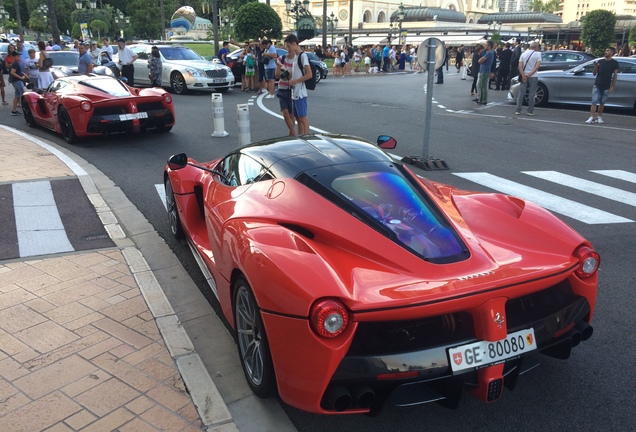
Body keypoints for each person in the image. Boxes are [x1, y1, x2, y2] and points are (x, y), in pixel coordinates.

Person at [284, 33, 312, 135]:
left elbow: (309, 74)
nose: (287, 48)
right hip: (295, 92)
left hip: (300, 92)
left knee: (303, 117)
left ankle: (307, 138)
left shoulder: (302, 56)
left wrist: (295, 81)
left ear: (294, 44)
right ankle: (301, 138)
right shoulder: (295, 57)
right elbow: (295, 73)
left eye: (288, 46)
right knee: (298, 118)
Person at [585, 47, 619, 124]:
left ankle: (599, 116)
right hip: (597, 84)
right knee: (594, 101)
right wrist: (596, 67)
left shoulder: (614, 63)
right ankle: (591, 117)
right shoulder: (601, 61)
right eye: (605, 50)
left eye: (608, 51)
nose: (605, 52)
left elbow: (615, 75)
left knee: (602, 102)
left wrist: (612, 86)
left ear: (612, 53)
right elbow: (594, 74)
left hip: (606, 85)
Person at [515, 41, 542, 116]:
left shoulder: (523, 54)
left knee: (521, 93)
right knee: (532, 94)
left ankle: (518, 109)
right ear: (536, 47)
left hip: (524, 75)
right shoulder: (538, 54)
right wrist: (529, 75)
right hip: (533, 76)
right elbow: (537, 66)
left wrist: (523, 75)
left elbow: (520, 66)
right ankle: (530, 111)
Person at [275, 53, 295, 135]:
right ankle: (293, 133)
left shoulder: (297, 60)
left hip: (292, 89)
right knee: (285, 113)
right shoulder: (281, 59)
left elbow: (294, 75)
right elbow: (277, 74)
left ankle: (291, 134)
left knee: (291, 114)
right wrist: (283, 74)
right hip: (282, 88)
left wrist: (285, 71)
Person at [476, 40, 494, 105]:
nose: (484, 46)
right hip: (484, 70)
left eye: (486, 45)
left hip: (484, 71)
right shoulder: (489, 52)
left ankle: (482, 100)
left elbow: (480, 60)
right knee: (482, 85)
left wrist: (480, 60)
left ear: (489, 46)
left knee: (482, 86)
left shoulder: (489, 53)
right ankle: (482, 99)